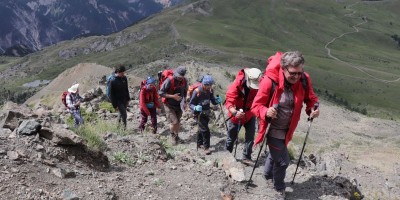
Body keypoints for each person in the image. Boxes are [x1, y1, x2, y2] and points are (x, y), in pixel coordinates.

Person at [251, 51, 320, 198]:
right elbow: (256, 106)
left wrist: (313, 109)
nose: (296, 76)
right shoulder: (270, 81)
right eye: (293, 73)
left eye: (299, 73)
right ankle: (278, 187)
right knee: (283, 161)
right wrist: (266, 112)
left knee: (276, 153)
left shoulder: (304, 79)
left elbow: (310, 98)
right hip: (271, 128)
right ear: (283, 68)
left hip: (287, 129)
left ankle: (267, 174)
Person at [224, 68, 262, 166]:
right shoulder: (237, 84)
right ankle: (227, 155)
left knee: (250, 137)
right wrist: (234, 112)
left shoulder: (260, 82)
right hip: (236, 115)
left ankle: (246, 157)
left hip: (250, 114)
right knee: (231, 137)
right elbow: (229, 101)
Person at [189, 75, 222, 155]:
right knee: (206, 130)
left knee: (201, 129)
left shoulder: (210, 91)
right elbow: (191, 104)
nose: (210, 87)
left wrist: (217, 101)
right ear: (204, 84)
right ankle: (206, 147)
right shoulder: (197, 91)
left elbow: (212, 101)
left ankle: (199, 144)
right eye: (208, 85)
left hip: (206, 113)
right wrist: (195, 107)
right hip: (199, 114)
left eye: (210, 85)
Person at [158, 66, 188, 145]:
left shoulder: (184, 81)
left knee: (178, 122)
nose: (180, 78)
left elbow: (185, 91)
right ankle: (172, 136)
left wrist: (184, 101)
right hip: (169, 104)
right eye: (178, 76)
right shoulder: (169, 80)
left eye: (181, 77)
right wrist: (173, 96)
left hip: (179, 105)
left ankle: (176, 136)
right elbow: (160, 93)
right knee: (174, 122)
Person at [110, 64, 130, 129]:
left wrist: (128, 99)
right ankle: (124, 129)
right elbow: (111, 95)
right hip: (118, 101)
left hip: (124, 99)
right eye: (122, 72)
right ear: (118, 72)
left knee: (120, 114)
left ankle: (117, 127)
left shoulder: (124, 78)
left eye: (124, 72)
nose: (123, 74)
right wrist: (114, 106)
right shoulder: (113, 81)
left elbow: (126, 89)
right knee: (124, 114)